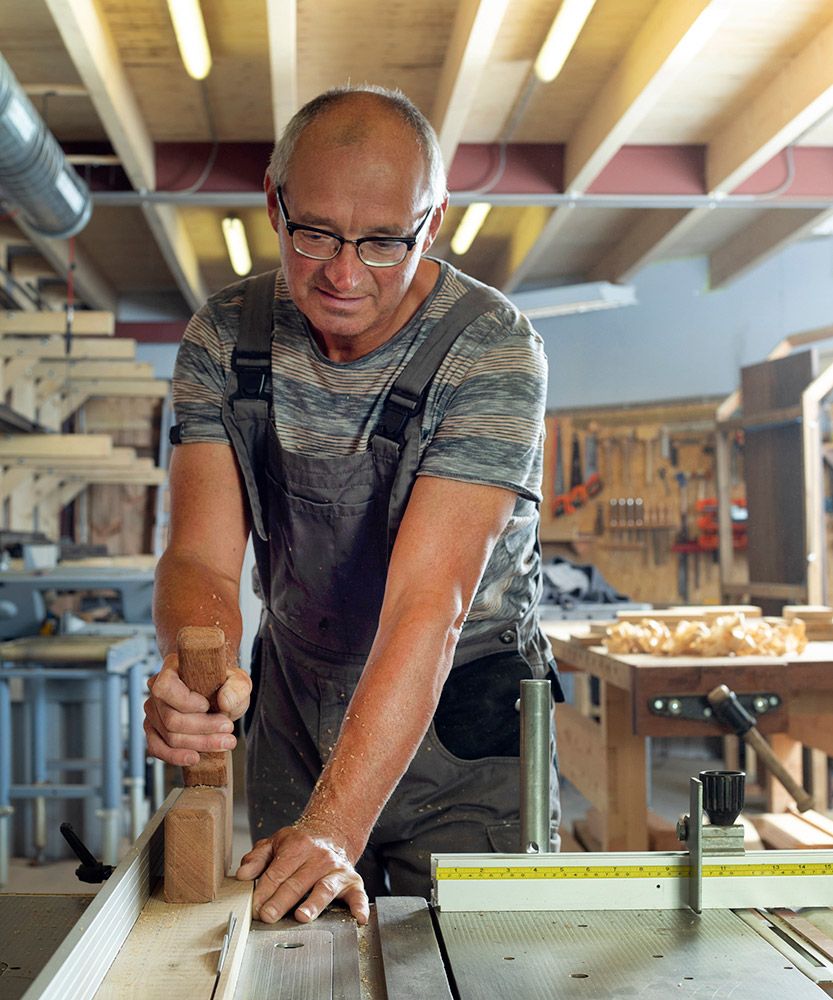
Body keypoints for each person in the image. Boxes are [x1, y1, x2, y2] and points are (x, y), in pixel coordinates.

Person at [144, 84, 562, 928]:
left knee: (472, 961)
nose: (341, 273)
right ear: (273, 203)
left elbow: (427, 606)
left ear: (432, 223)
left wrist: (335, 823)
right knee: (299, 954)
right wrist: (202, 677)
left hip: (460, 711)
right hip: (299, 699)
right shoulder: (224, 339)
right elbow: (198, 559)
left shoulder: (488, 349)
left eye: (381, 243)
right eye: (315, 234)